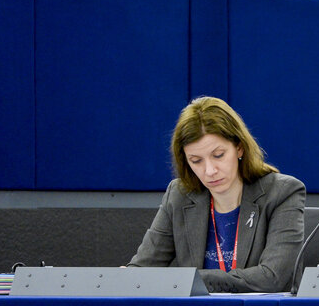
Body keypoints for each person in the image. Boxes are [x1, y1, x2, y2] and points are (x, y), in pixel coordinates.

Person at [128, 96, 305, 293]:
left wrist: (189, 279)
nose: (209, 170)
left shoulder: (282, 193)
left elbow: (272, 278)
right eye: (196, 161)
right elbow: (141, 271)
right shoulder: (178, 195)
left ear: (239, 147)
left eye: (218, 155)